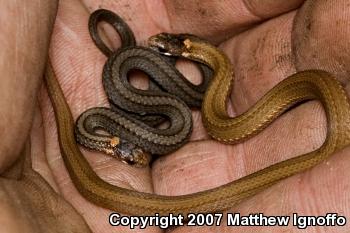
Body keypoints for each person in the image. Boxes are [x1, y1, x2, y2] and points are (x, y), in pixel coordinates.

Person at [1, 0, 349, 232]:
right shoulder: (113, 121)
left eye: (162, 49)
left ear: (185, 49)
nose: (157, 47)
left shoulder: (211, 78)